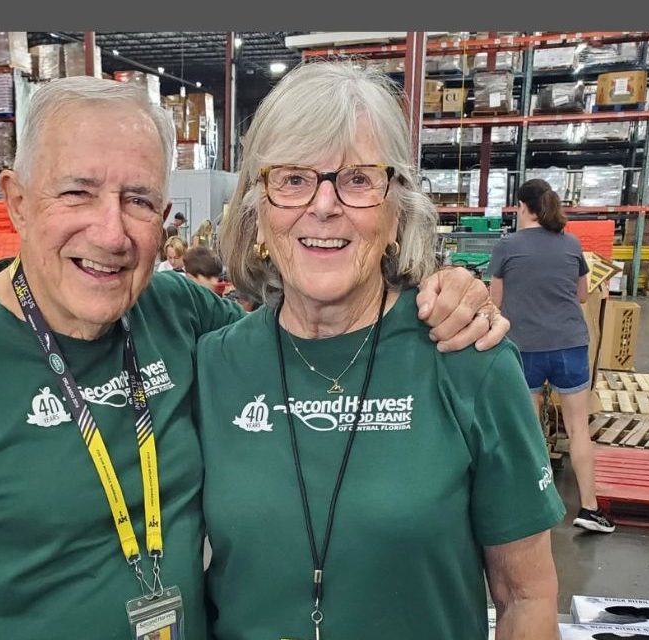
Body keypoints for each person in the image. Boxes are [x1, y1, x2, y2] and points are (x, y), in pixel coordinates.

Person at [0, 76, 504, 640]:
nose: (111, 231)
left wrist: (442, 291)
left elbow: (305, 322)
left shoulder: (183, 317)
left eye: (140, 201)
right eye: (78, 192)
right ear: (17, 202)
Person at [197, 62, 557, 640]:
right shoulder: (214, 365)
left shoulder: (468, 359)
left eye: (358, 180)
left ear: (397, 211)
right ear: (257, 210)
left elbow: (527, 597)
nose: (322, 205)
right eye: (291, 179)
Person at [489, 178, 614, 535]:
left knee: (529, 431)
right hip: (569, 345)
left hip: (524, 348)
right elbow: (582, 297)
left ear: (521, 207)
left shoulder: (506, 247)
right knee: (578, 430)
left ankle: (534, 505)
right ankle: (590, 509)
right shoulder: (571, 244)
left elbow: (493, 304)